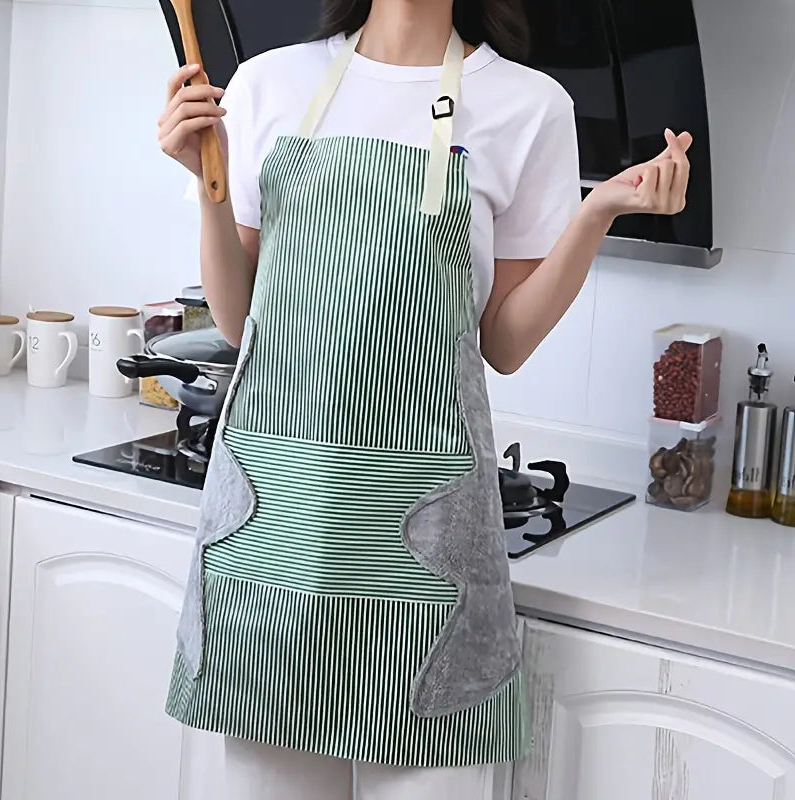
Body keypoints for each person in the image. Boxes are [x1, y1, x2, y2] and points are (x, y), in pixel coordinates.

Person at [157, 0, 691, 797]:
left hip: (425, 560)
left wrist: (597, 212)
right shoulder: (268, 84)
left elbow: (504, 342)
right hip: (273, 544)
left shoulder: (529, 106)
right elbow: (239, 322)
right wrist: (209, 184)